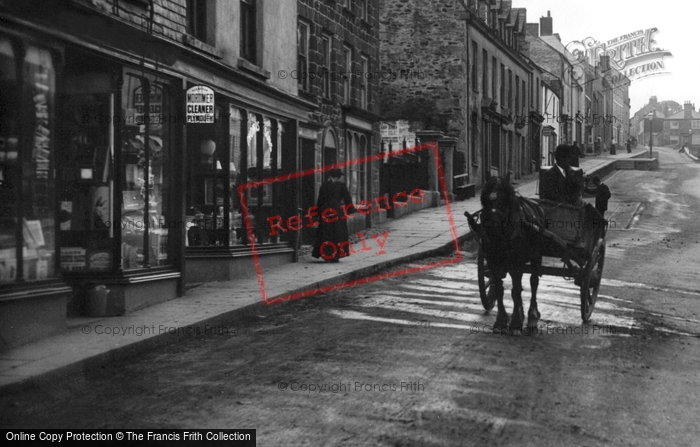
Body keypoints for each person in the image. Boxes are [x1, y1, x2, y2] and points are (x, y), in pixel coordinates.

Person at [312, 169, 356, 262]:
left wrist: (317, 214)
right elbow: (347, 198)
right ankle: (336, 254)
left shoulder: (324, 186)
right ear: (338, 177)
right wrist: (350, 210)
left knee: (326, 233)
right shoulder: (341, 186)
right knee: (338, 233)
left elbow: (320, 200)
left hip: (326, 211)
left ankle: (326, 254)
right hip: (337, 211)